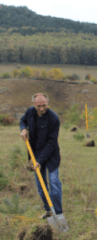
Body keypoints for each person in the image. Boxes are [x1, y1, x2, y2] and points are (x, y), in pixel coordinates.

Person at [20, 93, 65, 222]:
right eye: (39, 106)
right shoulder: (30, 112)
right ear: (34, 104)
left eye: (44, 105)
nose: (41, 109)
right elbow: (22, 120)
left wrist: (40, 161)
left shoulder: (53, 118)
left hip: (51, 156)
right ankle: (49, 211)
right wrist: (23, 129)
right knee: (41, 187)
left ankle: (59, 214)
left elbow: (52, 142)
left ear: (47, 104)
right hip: (35, 156)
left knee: (54, 184)